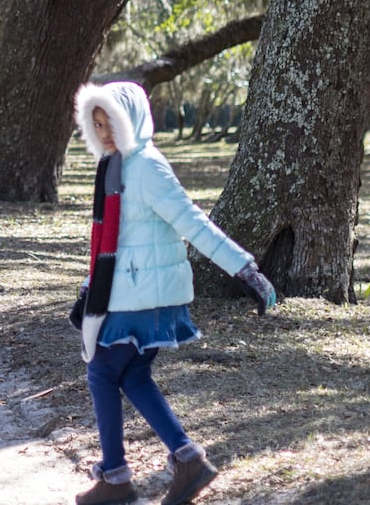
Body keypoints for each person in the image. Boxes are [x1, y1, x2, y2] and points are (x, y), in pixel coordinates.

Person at [70, 81, 277, 505]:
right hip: (132, 291)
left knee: (103, 372)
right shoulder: (116, 165)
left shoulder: (145, 167)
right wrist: (89, 288)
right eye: (97, 123)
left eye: (111, 121)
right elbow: (113, 241)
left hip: (146, 297)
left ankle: (116, 477)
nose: (105, 130)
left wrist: (245, 268)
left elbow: (192, 221)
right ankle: (186, 461)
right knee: (131, 373)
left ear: (132, 120)